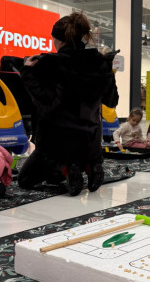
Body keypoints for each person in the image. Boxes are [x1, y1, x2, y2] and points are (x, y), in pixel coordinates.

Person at [18, 12, 118, 196]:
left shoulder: (53, 63)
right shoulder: (100, 62)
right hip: (90, 142)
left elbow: (46, 102)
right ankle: (91, 166)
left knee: (24, 180)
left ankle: (67, 168)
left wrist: (27, 72)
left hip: (57, 142)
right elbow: (112, 101)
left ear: (60, 40)